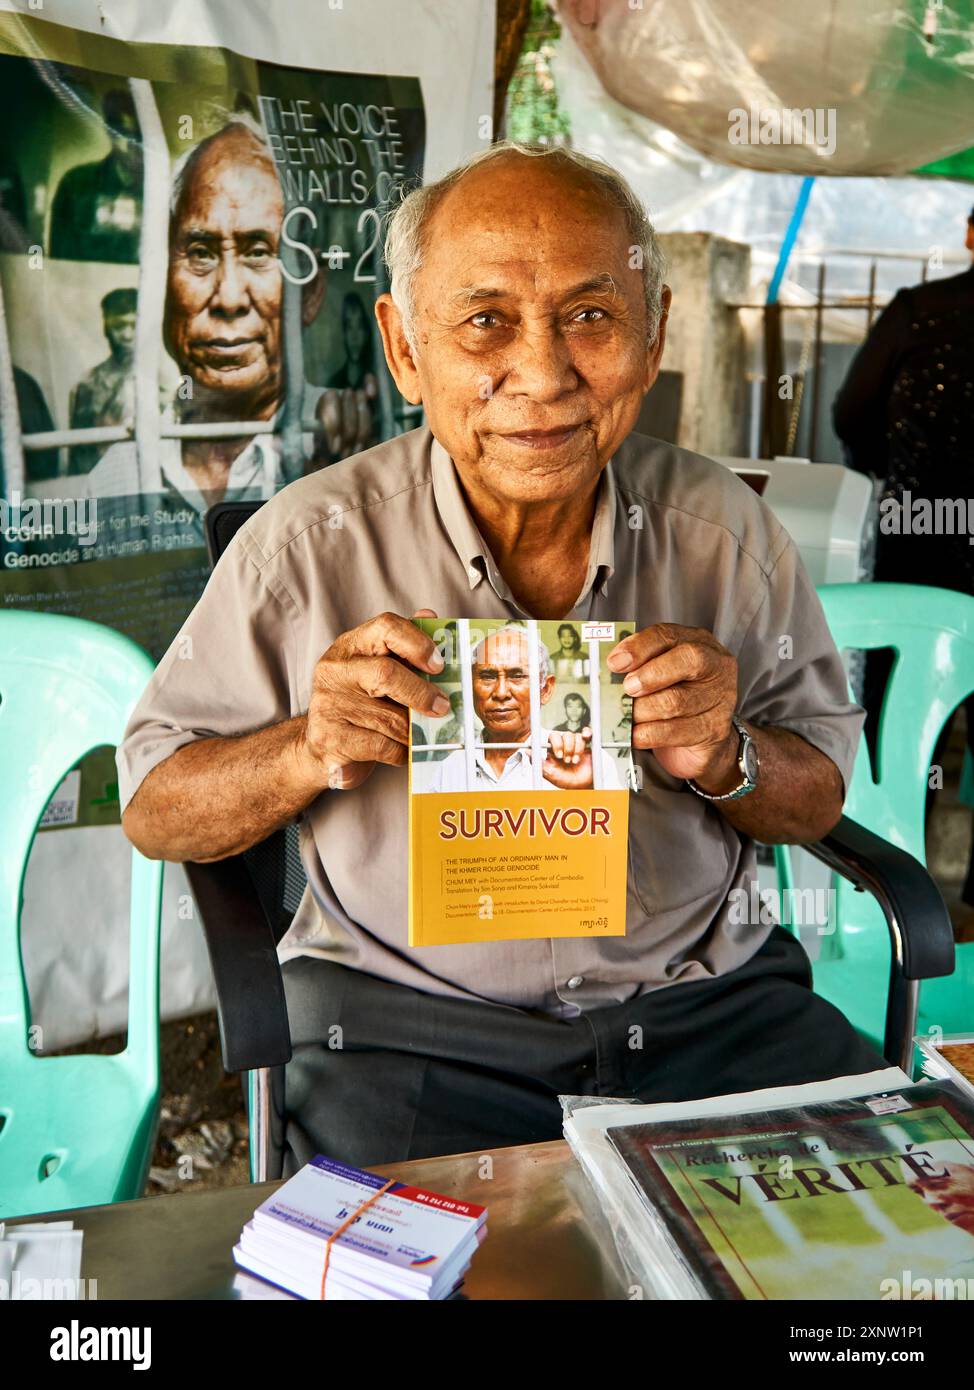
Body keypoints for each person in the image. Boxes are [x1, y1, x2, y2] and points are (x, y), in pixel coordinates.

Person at [118, 142, 878, 1172]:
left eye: (591, 316)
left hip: (709, 1016)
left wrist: (730, 754)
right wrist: (305, 747)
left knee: (874, 1265)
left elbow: (817, 796)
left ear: (652, 337)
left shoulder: (724, 536)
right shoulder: (307, 546)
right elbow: (157, 806)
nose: (542, 374)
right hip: (408, 1033)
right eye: (484, 322)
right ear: (403, 348)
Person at [85, 119, 374, 543]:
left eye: (258, 252)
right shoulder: (116, 476)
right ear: (159, 284)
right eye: (200, 253)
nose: (229, 297)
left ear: (309, 293)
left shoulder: (354, 451)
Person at [834, 204, 974, 901]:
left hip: (921, 544)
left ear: (970, 233)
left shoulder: (919, 313)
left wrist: (894, 474)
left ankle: (892, 895)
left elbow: (851, 413)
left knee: (902, 729)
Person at [428, 626, 619, 792]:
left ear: (545, 689)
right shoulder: (450, 769)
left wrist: (587, 793)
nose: (501, 692)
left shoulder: (587, 763)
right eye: (487, 676)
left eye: (517, 676)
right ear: (470, 687)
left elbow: (615, 831)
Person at [48, 89, 143, 264]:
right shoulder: (75, 184)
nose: (133, 145)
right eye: (125, 134)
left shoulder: (164, 192)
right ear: (111, 134)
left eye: (139, 137)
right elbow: (59, 261)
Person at [68, 288, 138, 475]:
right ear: (106, 328)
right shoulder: (88, 383)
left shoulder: (165, 379)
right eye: (118, 326)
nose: (127, 335)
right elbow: (78, 453)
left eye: (134, 325)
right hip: (101, 481)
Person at [432, 689, 464, 760]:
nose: (459, 708)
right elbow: (437, 757)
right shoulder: (445, 729)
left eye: (462, 705)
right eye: (457, 705)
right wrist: (448, 751)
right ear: (452, 708)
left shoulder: (477, 728)